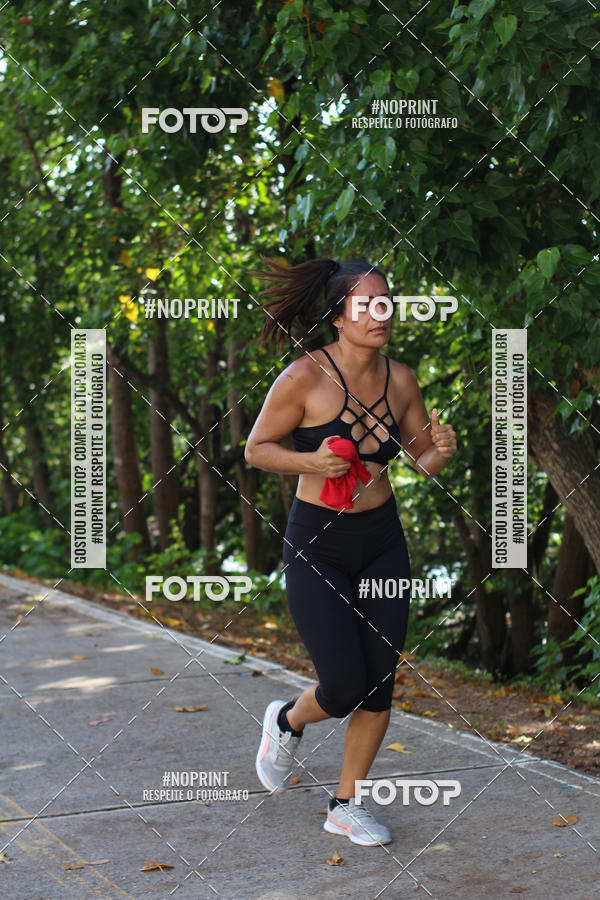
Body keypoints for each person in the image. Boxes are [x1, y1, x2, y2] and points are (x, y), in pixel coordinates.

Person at [245, 257, 457, 846]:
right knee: (341, 685)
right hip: (319, 542)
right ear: (339, 316)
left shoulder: (401, 379)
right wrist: (310, 461)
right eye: (367, 304)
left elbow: (422, 461)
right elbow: (257, 449)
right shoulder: (304, 378)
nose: (380, 313)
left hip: (382, 541)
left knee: (379, 682)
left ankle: (345, 804)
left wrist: (443, 447)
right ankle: (286, 721)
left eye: (386, 301)